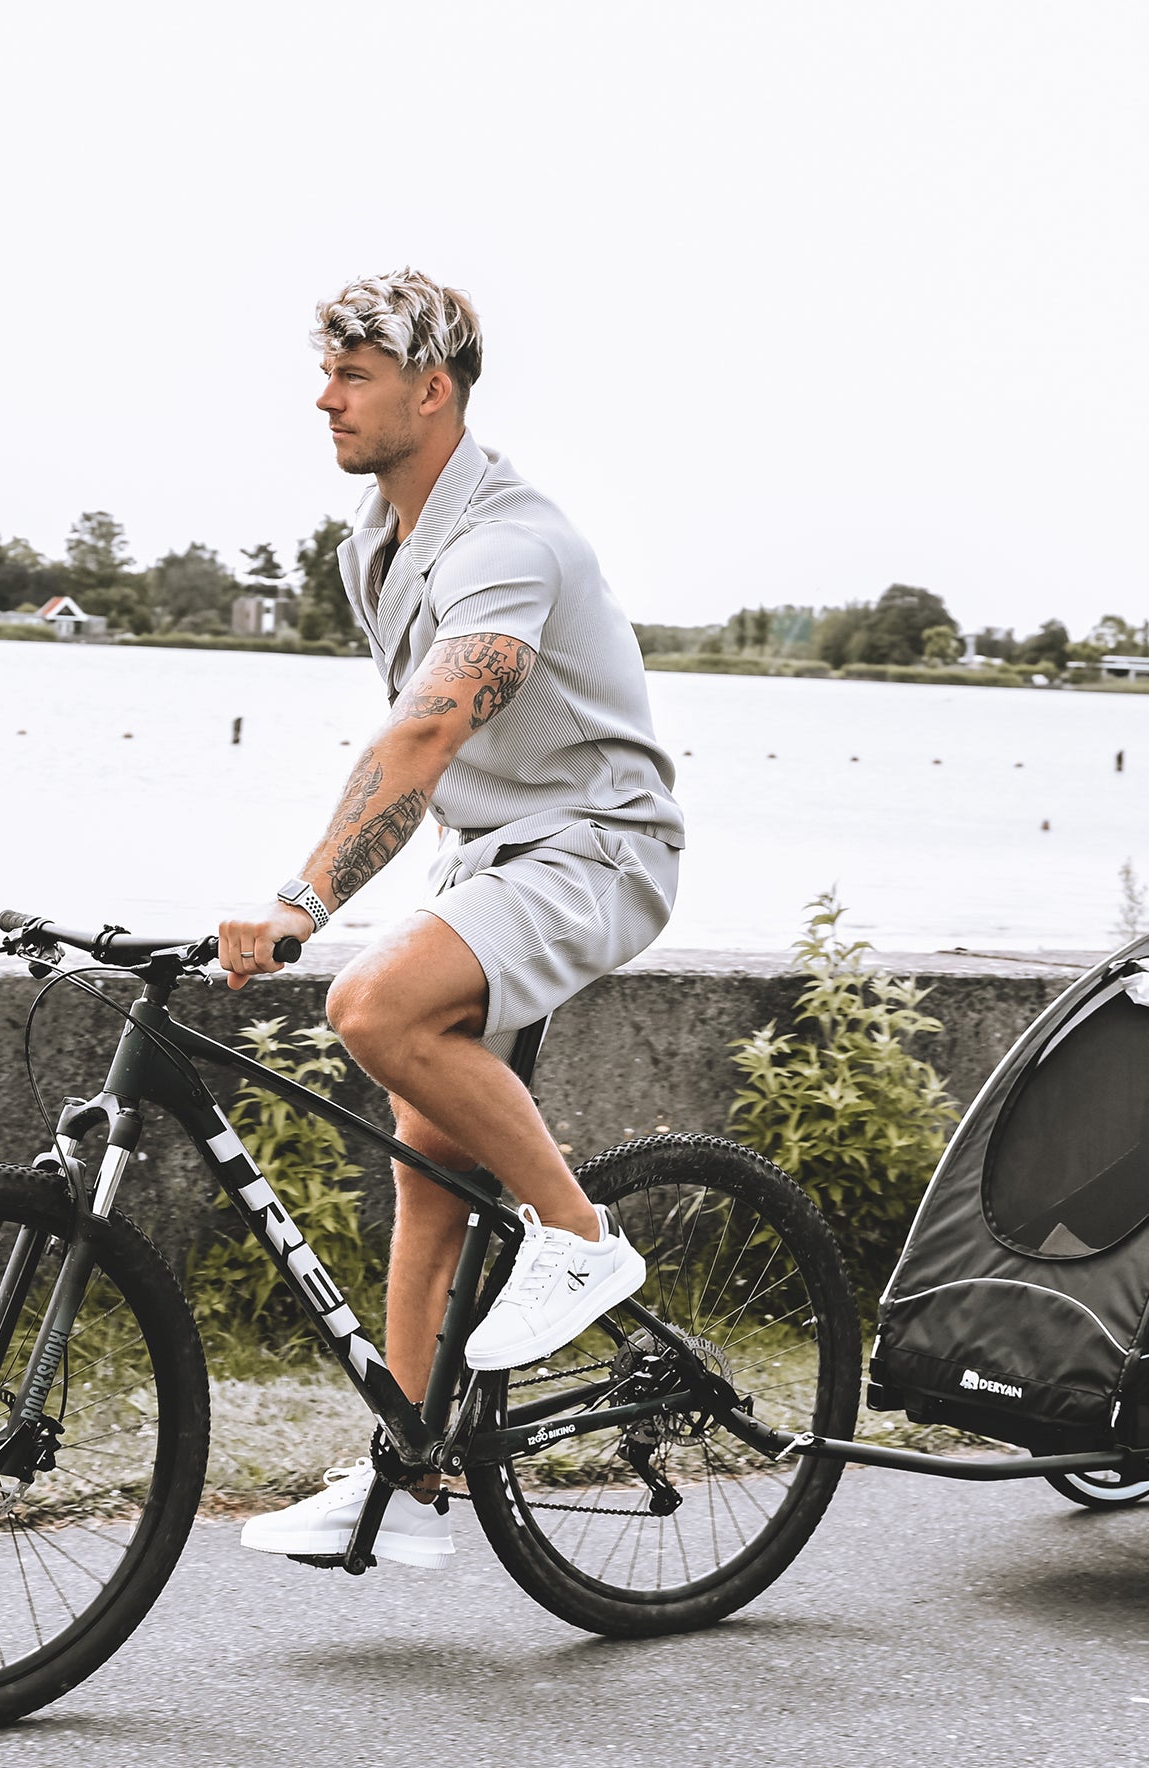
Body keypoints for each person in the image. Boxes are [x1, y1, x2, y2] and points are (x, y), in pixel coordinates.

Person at [218, 271, 685, 1569]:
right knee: (429, 1166)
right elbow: (420, 747)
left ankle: (583, 1242)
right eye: (328, 372)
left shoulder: (505, 543)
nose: (326, 396)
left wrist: (306, 897)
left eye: (355, 374)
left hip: (599, 845)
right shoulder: (373, 546)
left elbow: (430, 726)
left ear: (433, 391)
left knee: (369, 1003)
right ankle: (401, 1479)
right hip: (499, 854)